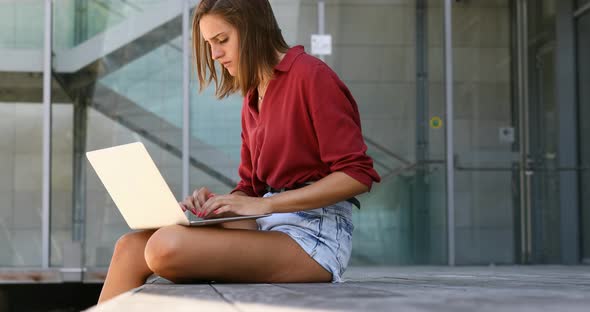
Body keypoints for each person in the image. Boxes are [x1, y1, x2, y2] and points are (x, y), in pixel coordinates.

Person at [97, 0, 380, 303]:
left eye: (222, 40)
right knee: (129, 247)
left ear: (254, 29)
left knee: (162, 246)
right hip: (270, 222)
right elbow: (251, 189)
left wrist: (267, 206)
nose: (216, 54)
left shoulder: (311, 76)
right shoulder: (253, 95)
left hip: (316, 235)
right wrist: (220, 204)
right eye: (210, 44)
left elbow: (356, 175)